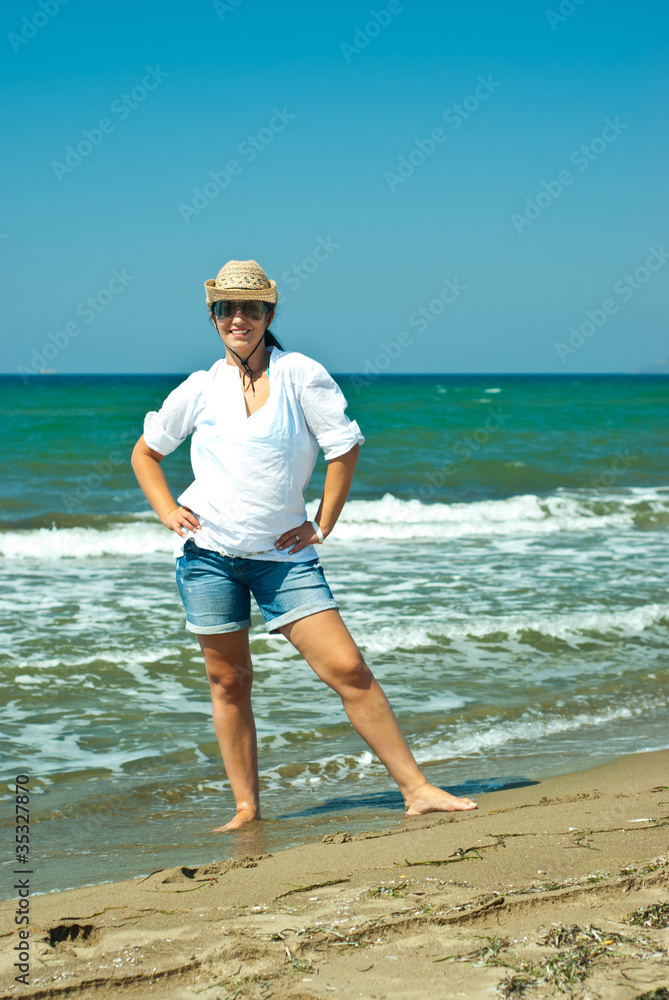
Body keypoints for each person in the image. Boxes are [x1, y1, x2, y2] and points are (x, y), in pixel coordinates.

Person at [131, 259, 476, 831]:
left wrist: (322, 522)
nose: (237, 317)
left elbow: (344, 447)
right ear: (213, 316)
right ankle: (247, 809)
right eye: (226, 308)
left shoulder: (301, 375)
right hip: (207, 558)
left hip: (283, 559)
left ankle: (417, 789)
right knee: (229, 681)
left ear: (269, 313)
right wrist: (168, 509)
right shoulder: (199, 387)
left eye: (250, 307)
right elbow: (146, 453)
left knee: (348, 669)